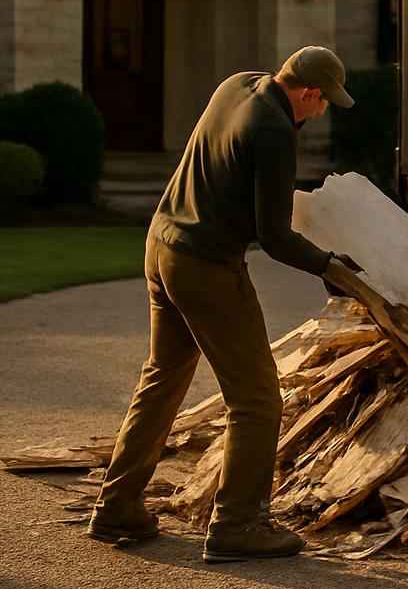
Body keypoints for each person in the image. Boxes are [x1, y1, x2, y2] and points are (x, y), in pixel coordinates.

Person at [87, 46, 360, 562]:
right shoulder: (275, 132)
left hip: (162, 244)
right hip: (206, 267)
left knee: (162, 379)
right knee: (257, 399)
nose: (322, 113)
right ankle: (239, 525)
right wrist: (334, 268)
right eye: (323, 104)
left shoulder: (237, 84)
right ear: (307, 92)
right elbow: (274, 237)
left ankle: (117, 505)